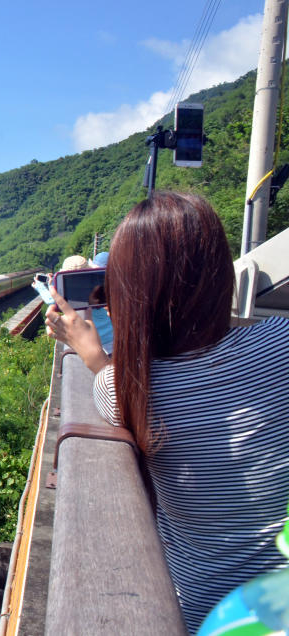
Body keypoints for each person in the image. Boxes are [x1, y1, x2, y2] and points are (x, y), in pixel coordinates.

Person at [45, 191, 289, 633]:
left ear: (126, 296)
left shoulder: (127, 392)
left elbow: (111, 378)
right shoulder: (280, 341)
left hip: (212, 612)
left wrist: (88, 348)